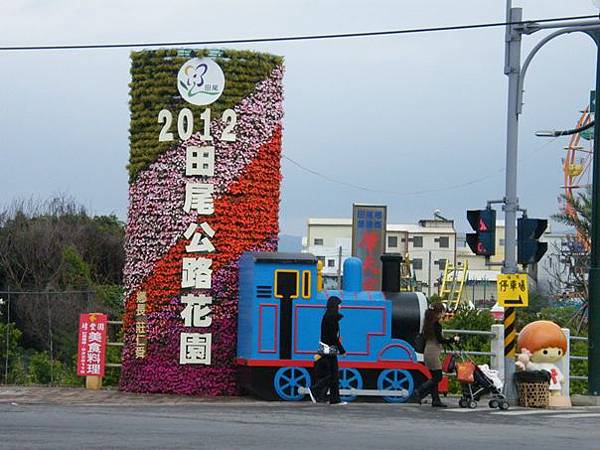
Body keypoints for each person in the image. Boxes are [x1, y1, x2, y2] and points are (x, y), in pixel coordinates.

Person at [412, 303, 459, 407]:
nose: (443, 314)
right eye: (442, 311)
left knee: (434, 377)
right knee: (438, 377)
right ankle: (419, 391)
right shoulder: (436, 325)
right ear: (438, 313)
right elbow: (440, 339)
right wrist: (453, 339)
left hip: (428, 352)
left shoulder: (427, 324)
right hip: (433, 353)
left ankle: (436, 400)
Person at [309, 296, 347, 405]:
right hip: (328, 349)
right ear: (335, 305)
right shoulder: (330, 318)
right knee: (331, 375)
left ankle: (334, 400)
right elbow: (332, 337)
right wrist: (342, 350)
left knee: (334, 374)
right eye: (339, 304)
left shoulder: (330, 317)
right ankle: (315, 390)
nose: (341, 306)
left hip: (329, 349)